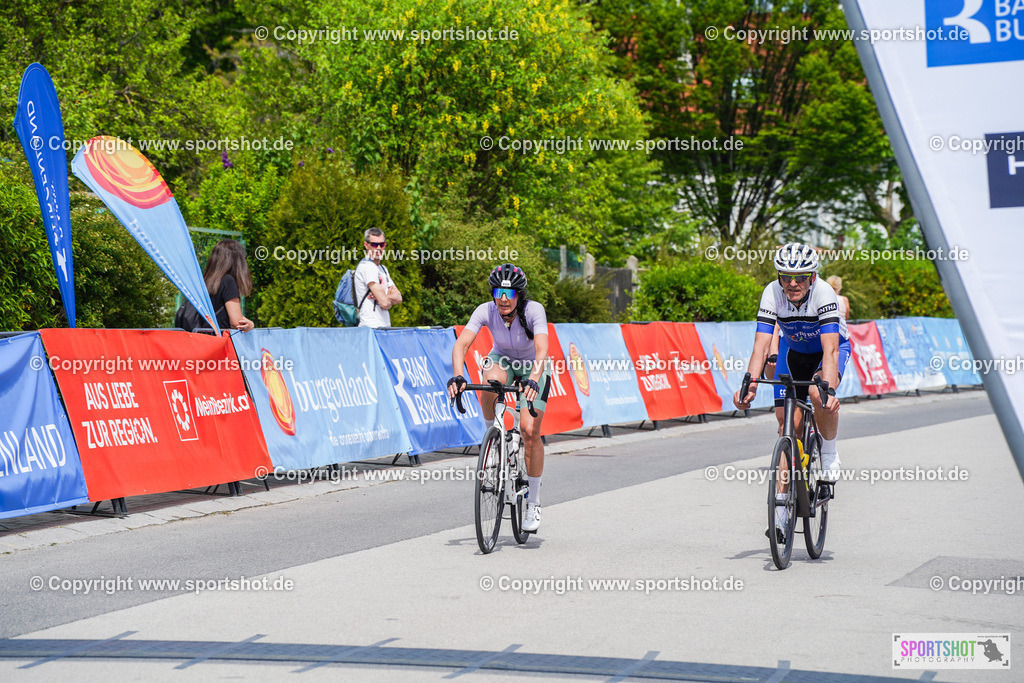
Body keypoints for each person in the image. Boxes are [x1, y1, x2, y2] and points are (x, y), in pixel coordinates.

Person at [733, 243, 850, 539]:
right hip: (793, 350)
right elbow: (761, 344)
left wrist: (829, 390)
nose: (792, 283)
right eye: (786, 276)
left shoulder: (825, 294)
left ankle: (830, 452)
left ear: (812, 277)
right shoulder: (772, 292)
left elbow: (831, 348)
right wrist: (749, 383)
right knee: (788, 426)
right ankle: (783, 510)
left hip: (829, 350)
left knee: (815, 394)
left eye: (800, 277)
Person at [447, 264, 550, 532]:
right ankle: (493, 436)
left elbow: (541, 350)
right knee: (489, 381)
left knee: (529, 431)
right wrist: (458, 376)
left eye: (509, 293)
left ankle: (534, 503)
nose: (503, 298)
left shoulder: (533, 310)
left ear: (519, 295)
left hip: (532, 365)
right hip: (502, 359)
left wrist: (534, 380)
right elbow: (462, 344)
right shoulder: (486, 310)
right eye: (497, 292)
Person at [354, 228, 402, 328]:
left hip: (384, 326)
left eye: (382, 244)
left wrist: (382, 297)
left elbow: (399, 297)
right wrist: (386, 299)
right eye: (374, 245)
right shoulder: (366, 267)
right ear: (366, 245)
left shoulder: (383, 269)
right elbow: (385, 304)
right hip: (370, 327)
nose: (379, 248)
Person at [204, 239, 254, 332]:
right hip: (217, 342)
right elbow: (237, 323)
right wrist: (250, 325)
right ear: (237, 261)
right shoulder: (228, 281)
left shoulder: (205, 281)